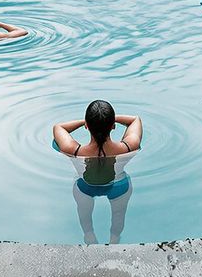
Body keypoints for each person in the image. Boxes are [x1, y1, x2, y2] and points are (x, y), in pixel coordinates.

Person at [53, 100, 142, 244]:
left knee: (84, 212)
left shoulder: (74, 150)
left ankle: (89, 235)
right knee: (119, 215)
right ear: (113, 125)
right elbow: (135, 120)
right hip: (118, 186)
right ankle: (114, 239)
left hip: (85, 187)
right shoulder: (128, 146)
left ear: (87, 126)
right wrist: (108, 120)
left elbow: (58, 127)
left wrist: (88, 121)